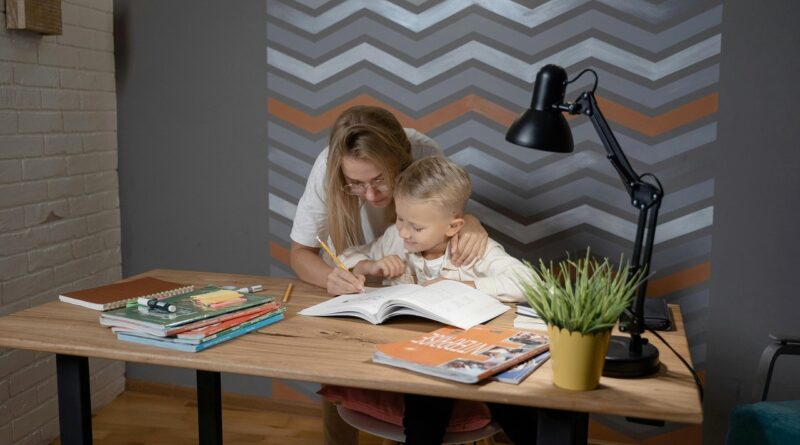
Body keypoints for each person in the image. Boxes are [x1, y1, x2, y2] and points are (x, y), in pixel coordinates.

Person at [288, 105, 490, 445]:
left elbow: (446, 213)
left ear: (402, 161)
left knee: (412, 370)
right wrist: (329, 278)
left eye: (380, 179)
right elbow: (299, 253)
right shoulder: (328, 168)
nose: (370, 196)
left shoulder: (424, 152)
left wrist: (471, 222)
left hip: (407, 280)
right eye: (355, 184)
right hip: (356, 276)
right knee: (340, 371)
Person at [337, 156, 538, 444]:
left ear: (454, 226)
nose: (404, 231)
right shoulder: (396, 238)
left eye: (416, 227)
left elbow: (529, 282)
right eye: (400, 218)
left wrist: (463, 284)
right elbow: (348, 257)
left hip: (468, 353)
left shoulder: (473, 249)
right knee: (426, 398)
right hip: (414, 359)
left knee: (508, 400)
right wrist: (371, 267)